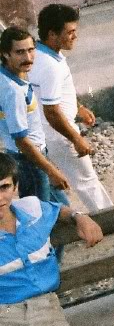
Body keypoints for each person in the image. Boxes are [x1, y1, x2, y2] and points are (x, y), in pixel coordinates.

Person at [0, 151, 103, 326]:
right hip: (5, 320)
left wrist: (80, 217)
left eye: (4, 187)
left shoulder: (32, 209)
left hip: (47, 314)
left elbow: (60, 210)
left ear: (15, 187)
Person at [29, 4, 113, 212]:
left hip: (42, 134)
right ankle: (112, 220)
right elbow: (52, 112)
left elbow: (54, 96)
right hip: (59, 135)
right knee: (87, 182)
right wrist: (76, 139)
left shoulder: (38, 55)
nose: (75, 36)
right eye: (70, 32)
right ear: (52, 34)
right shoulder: (50, 67)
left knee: (47, 186)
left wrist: (78, 108)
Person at [0, 27, 69, 204]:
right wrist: (50, 170)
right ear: (6, 54)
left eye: (31, 50)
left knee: (60, 207)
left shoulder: (9, 75)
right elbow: (21, 140)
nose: (28, 58)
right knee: (39, 215)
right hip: (29, 160)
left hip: (32, 157)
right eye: (20, 52)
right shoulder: (13, 91)